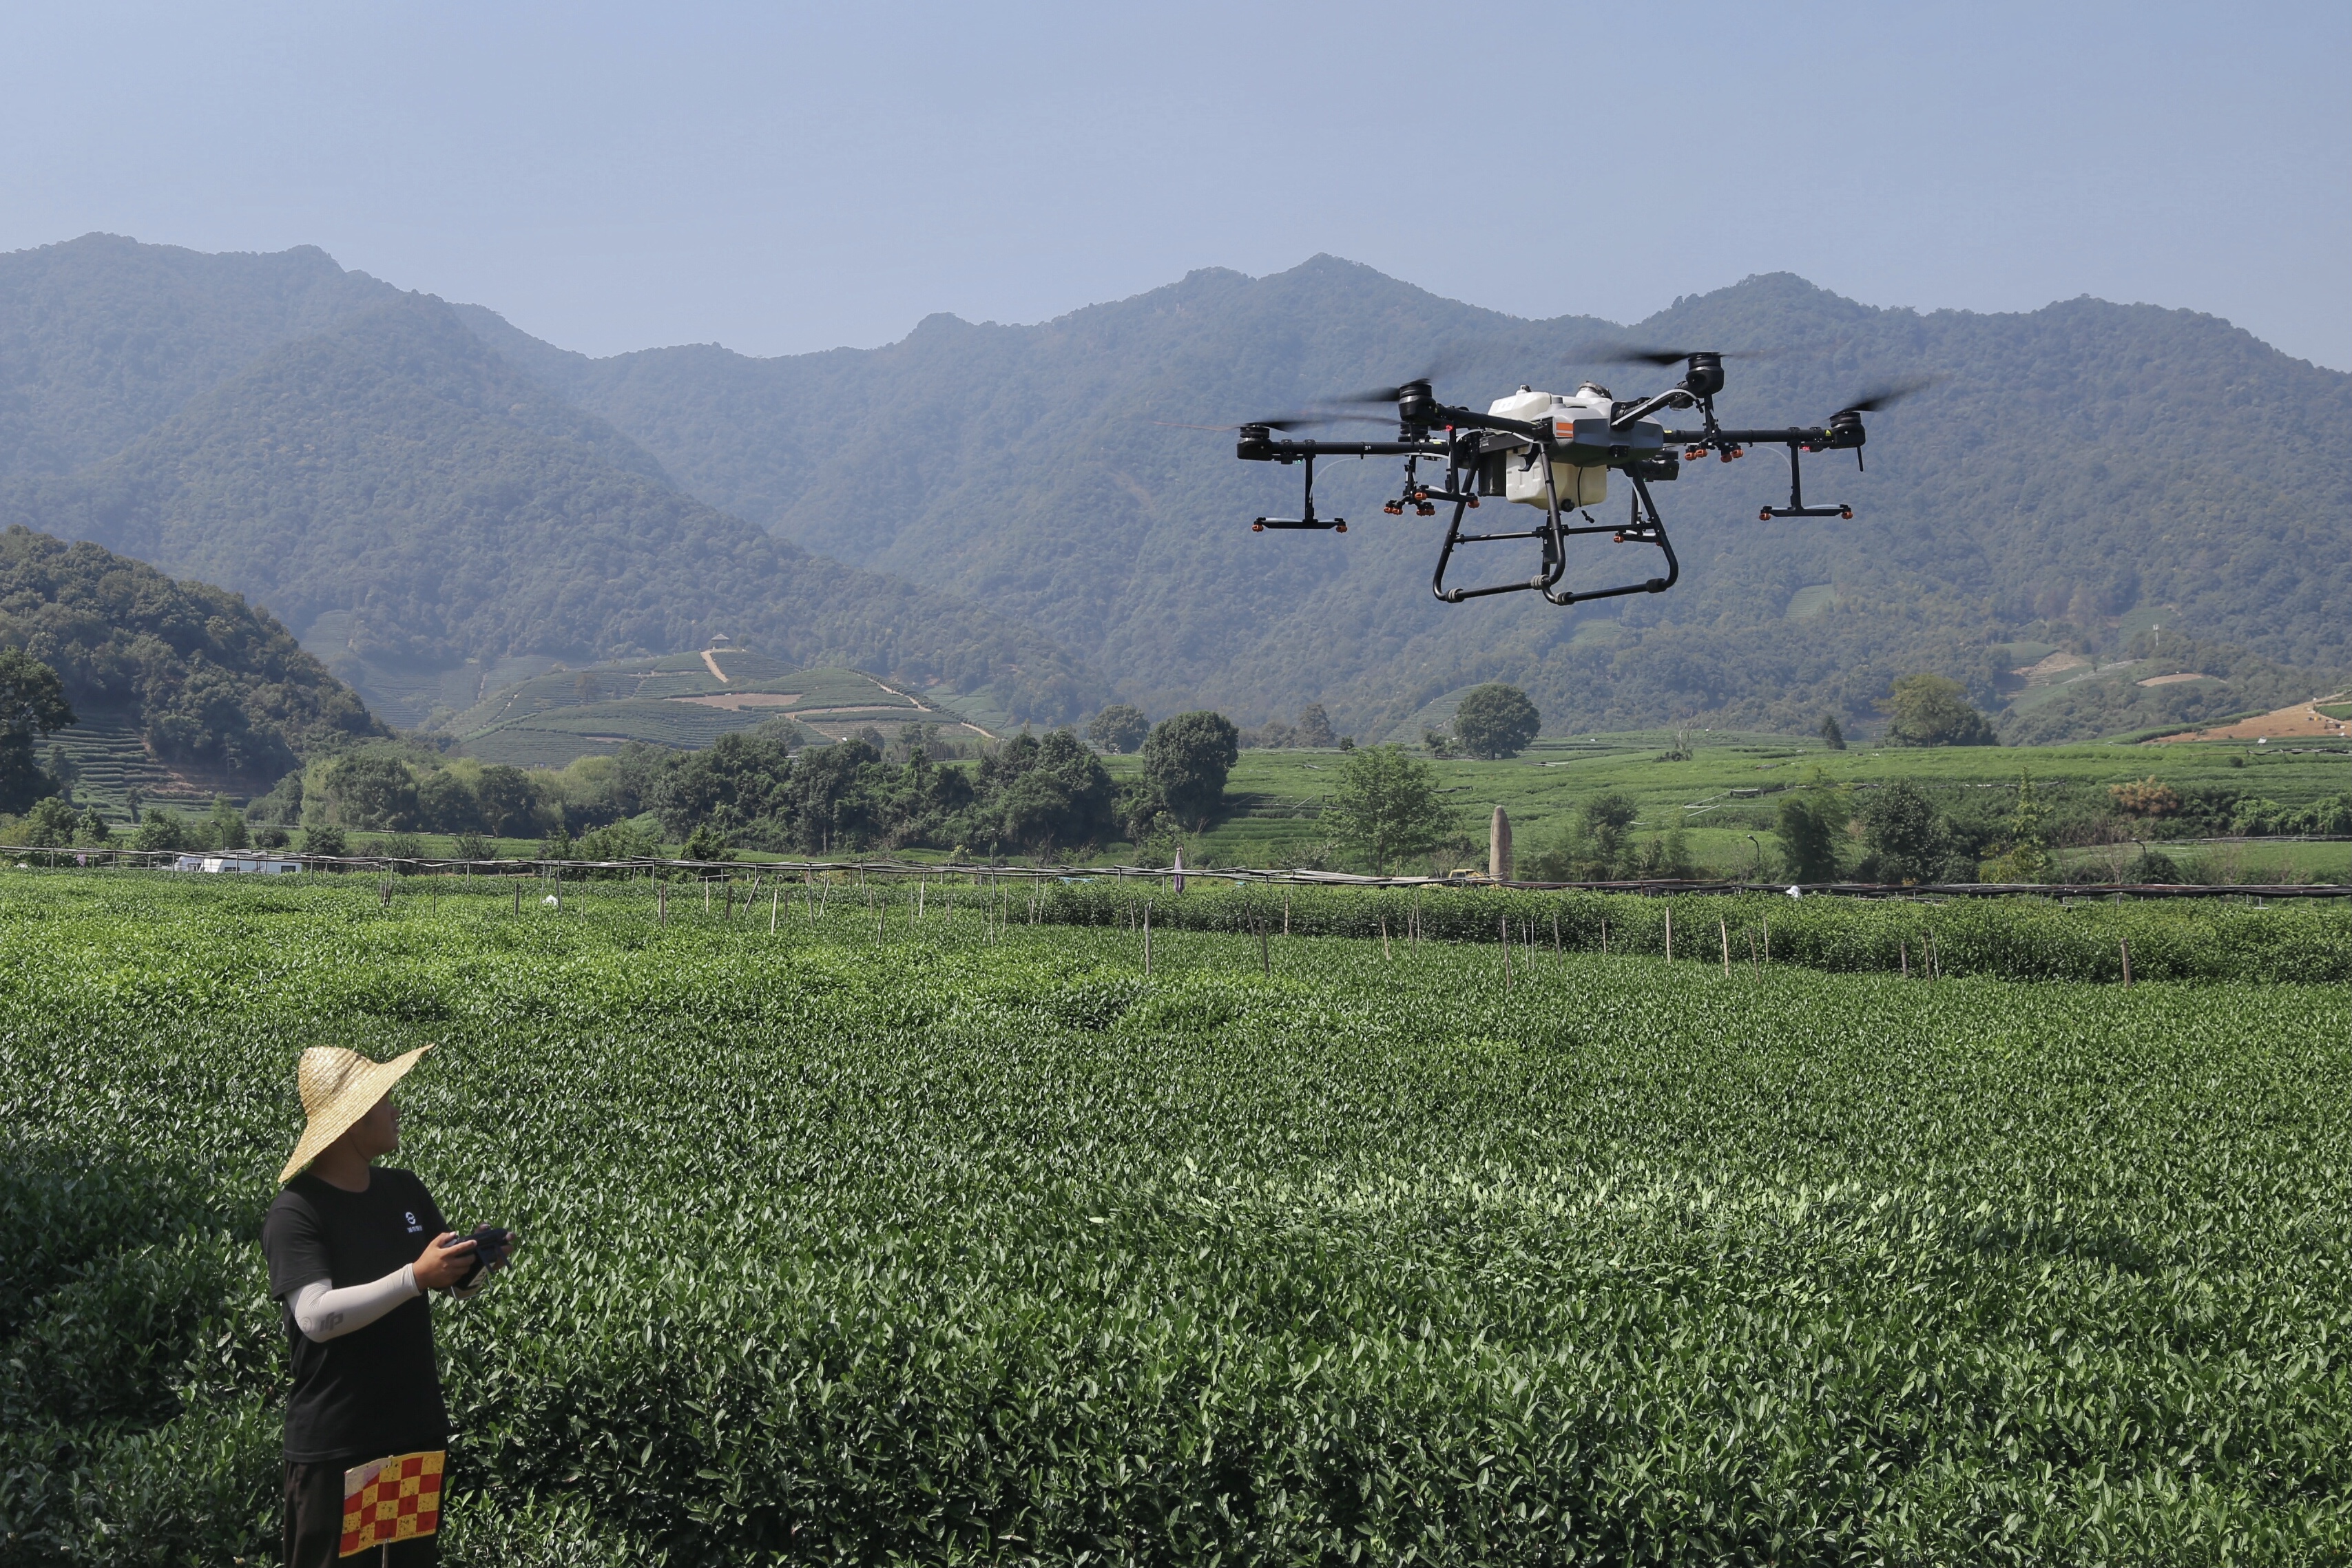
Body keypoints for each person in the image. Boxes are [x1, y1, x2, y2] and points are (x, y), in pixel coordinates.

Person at [262, 1045, 518, 1565]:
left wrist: (475, 1263)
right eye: (385, 1100)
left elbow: (449, 1285)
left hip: (410, 1431)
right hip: (339, 1443)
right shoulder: (297, 1210)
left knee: (404, 1561)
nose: (396, 1109)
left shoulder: (404, 1188)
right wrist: (413, 1276)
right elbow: (314, 1316)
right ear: (355, 1118)